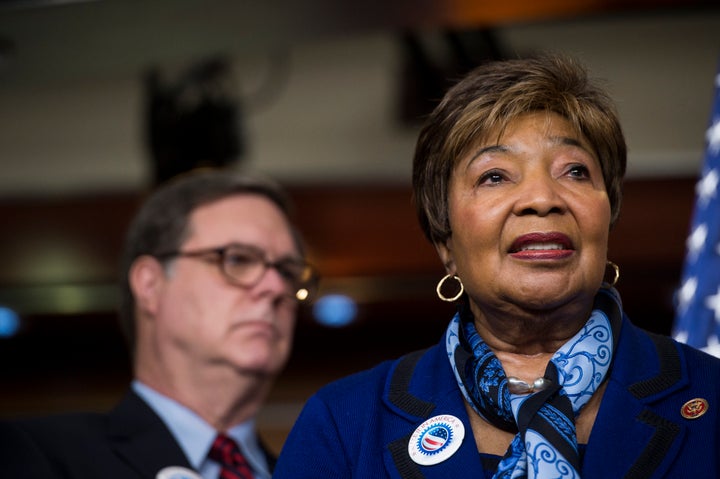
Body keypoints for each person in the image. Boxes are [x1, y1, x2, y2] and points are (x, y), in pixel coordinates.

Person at [273, 54, 720, 478]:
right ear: (445, 240)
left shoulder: (712, 397)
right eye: (494, 176)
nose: (543, 199)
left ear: (608, 216)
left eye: (575, 171)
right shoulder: (343, 423)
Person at [0, 168, 318, 479]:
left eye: (287, 272)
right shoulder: (35, 456)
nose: (276, 288)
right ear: (150, 285)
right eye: (238, 259)